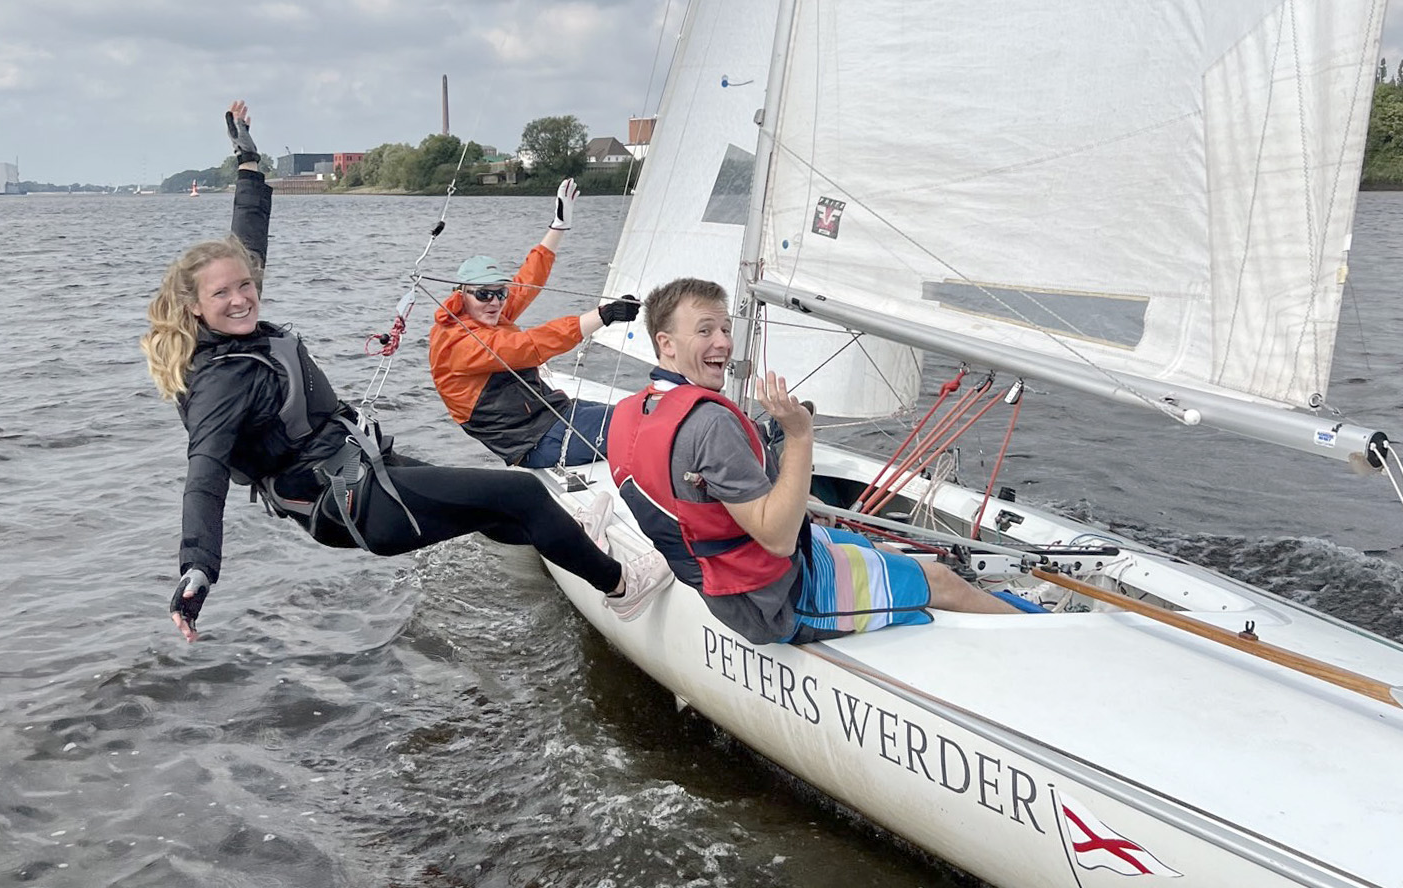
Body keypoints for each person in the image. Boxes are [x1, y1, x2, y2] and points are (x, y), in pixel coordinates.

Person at [140, 102, 670, 642]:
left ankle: (574, 539)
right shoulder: (219, 381)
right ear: (193, 307)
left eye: (245, 285)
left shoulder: (239, 325)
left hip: (367, 469)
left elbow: (247, 238)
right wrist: (198, 566)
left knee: (498, 510)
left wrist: (249, 160)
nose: (240, 298)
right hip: (358, 506)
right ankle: (622, 586)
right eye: (222, 293)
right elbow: (204, 474)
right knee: (524, 497)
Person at [603, 277, 1022, 647]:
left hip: (732, 586)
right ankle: (1044, 639)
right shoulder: (710, 424)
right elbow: (780, 539)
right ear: (666, 344)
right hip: (782, 601)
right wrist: (800, 433)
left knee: (870, 545)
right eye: (705, 330)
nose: (724, 343)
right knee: (942, 580)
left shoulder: (629, 414)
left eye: (726, 329)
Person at [428, 180, 639, 469]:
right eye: (483, 293)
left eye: (500, 293)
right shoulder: (460, 343)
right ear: (461, 295)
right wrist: (605, 314)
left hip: (552, 414)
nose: (495, 301)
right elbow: (529, 346)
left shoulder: (483, 312)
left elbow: (528, 282)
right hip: (537, 441)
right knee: (642, 430)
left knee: (639, 413)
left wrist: (558, 227)